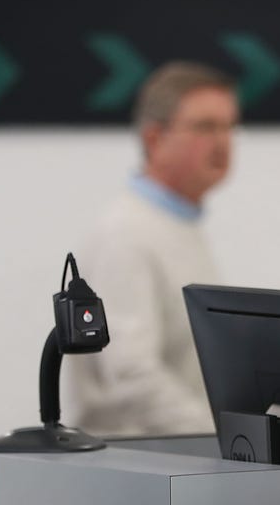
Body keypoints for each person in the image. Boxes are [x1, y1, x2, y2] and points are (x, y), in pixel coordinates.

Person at [63, 61, 239, 437]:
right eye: (206, 127)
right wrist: (223, 438)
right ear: (154, 139)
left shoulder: (177, 224)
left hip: (174, 460)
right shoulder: (127, 233)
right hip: (137, 468)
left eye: (229, 126)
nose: (223, 142)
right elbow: (131, 374)